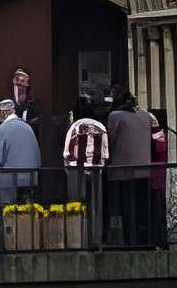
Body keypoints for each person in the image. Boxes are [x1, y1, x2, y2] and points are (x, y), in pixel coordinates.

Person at [106, 87, 155, 249]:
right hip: (144, 168)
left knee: (126, 208)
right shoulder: (145, 116)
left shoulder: (115, 117)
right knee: (142, 208)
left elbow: (110, 140)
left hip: (123, 169)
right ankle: (144, 241)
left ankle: (128, 242)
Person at [63, 97, 110, 244]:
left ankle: (78, 237)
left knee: (77, 203)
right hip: (97, 170)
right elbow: (105, 152)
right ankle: (96, 237)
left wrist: (67, 167)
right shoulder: (100, 126)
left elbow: (67, 152)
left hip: (76, 170)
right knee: (97, 204)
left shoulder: (74, 127)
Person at [0, 96, 40, 203]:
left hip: (9, 182)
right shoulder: (28, 128)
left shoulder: (1, 131)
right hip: (31, 178)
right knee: (28, 214)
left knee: (9, 215)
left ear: (2, 113)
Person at [149, 104, 171, 249]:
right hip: (156, 177)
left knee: (159, 210)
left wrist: (155, 128)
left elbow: (159, 146)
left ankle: (161, 240)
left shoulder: (159, 134)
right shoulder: (159, 134)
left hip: (159, 178)